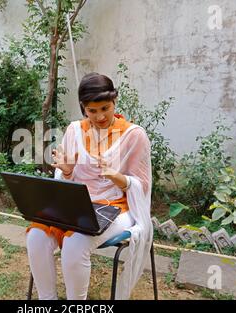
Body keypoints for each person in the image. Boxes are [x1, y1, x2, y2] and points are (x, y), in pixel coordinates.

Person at [26, 72, 153, 300]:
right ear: (83, 108)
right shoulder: (74, 130)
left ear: (115, 101)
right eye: (92, 111)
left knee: (75, 243)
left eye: (105, 108)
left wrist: (116, 176)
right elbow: (63, 184)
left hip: (118, 207)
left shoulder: (134, 135)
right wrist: (66, 171)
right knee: (36, 235)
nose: (100, 116)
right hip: (77, 205)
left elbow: (142, 187)